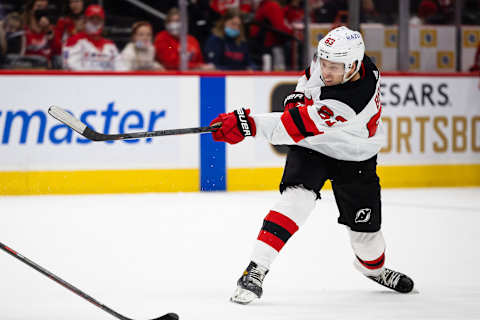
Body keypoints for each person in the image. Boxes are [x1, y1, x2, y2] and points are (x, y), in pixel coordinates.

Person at [208, 26, 415, 304]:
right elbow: (305, 91)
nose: (325, 71)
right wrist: (301, 99)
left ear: (353, 66)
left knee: (367, 239)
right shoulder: (338, 63)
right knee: (296, 201)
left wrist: (247, 124)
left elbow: (294, 124)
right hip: (313, 148)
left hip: (354, 156)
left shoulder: (352, 100)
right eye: (323, 62)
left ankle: (373, 270)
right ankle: (255, 269)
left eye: (334, 67)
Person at [62, 4, 126, 71]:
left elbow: (121, 68)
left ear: (103, 22)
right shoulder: (74, 40)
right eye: (92, 18)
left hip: (108, 80)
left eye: (98, 19)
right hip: (83, 80)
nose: (95, 22)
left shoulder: (110, 45)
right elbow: (70, 65)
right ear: (85, 21)